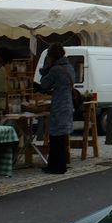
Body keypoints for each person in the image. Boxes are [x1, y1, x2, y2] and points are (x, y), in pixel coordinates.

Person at [37, 42, 73, 175]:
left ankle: (56, 166)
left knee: (56, 137)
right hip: (68, 103)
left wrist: (45, 70)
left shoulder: (55, 69)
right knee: (62, 138)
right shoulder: (69, 67)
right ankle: (59, 165)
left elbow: (44, 85)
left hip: (58, 104)